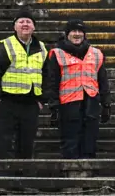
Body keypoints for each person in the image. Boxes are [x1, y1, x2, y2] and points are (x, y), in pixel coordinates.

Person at [0, 6, 47, 159]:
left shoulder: (42, 48)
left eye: (28, 21)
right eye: (21, 21)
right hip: (7, 101)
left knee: (26, 143)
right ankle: (2, 178)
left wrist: (41, 100)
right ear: (14, 26)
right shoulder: (4, 45)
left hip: (31, 103)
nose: (25, 24)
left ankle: (24, 178)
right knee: (3, 143)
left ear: (34, 26)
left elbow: (48, 75)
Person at [44, 19, 111, 159]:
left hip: (91, 102)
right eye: (73, 31)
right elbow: (51, 82)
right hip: (68, 103)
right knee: (70, 141)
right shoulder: (57, 53)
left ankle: (89, 174)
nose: (77, 34)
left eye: (80, 31)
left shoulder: (96, 53)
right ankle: (71, 175)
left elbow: (103, 80)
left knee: (90, 140)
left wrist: (106, 103)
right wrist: (53, 106)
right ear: (67, 34)